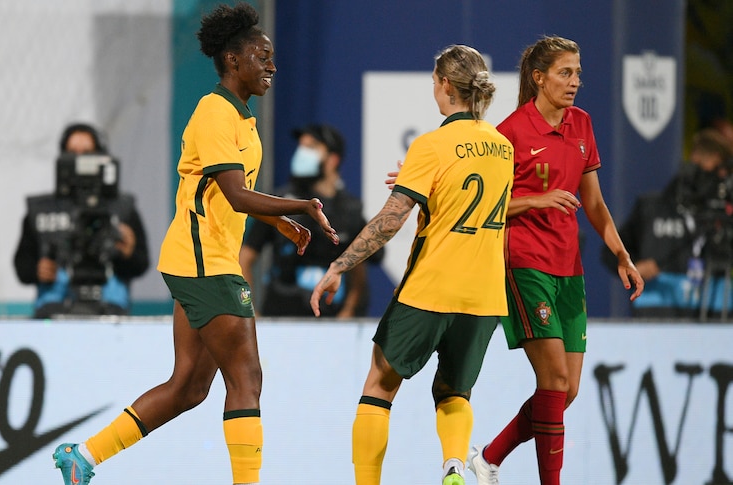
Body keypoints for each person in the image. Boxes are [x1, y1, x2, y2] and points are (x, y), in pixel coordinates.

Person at [51, 4, 338, 485]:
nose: (272, 65)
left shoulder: (243, 120)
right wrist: (301, 207)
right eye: (262, 56)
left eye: (272, 57)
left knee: (188, 386)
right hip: (205, 261)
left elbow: (231, 194)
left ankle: (83, 456)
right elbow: (235, 193)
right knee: (247, 380)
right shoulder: (213, 111)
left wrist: (283, 222)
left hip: (200, 258)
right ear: (232, 58)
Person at [310, 45, 513, 485]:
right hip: (485, 295)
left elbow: (391, 219)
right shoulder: (502, 147)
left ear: (445, 84)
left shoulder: (432, 144)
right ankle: (454, 465)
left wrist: (338, 267)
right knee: (454, 391)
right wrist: (417, 175)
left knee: (380, 383)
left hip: (432, 286)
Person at [465, 36, 644, 485]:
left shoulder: (581, 125)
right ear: (539, 78)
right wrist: (537, 199)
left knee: (567, 390)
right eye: (566, 72)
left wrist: (622, 254)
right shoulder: (509, 133)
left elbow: (595, 204)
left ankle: (488, 459)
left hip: (570, 268)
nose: (576, 82)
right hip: (525, 263)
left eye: (579, 72)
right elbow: (489, 206)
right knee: (555, 380)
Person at [240, 124, 383, 318]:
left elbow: (359, 269)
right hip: (279, 316)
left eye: (312, 147)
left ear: (333, 160)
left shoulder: (350, 210)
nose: (302, 153)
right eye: (301, 146)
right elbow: (245, 258)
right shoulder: (281, 202)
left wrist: (348, 311)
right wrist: (250, 311)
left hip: (330, 319)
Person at [13, 122, 150, 317]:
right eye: (72, 153)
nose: (79, 160)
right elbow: (22, 263)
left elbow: (141, 263)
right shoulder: (42, 210)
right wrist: (38, 270)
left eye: (87, 153)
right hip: (54, 308)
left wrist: (128, 254)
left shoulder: (123, 209)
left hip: (110, 308)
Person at [601, 128, 733, 319]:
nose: (722, 179)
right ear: (698, 163)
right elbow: (610, 253)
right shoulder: (650, 208)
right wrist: (635, 267)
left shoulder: (724, 216)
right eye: (720, 170)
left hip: (716, 317)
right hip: (657, 319)